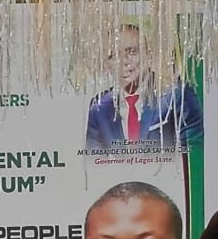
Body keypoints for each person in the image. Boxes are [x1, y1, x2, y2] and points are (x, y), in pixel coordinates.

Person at [85, 24, 203, 152]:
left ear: (148, 55)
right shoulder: (99, 107)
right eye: (113, 55)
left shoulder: (176, 95)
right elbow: (93, 160)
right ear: (107, 64)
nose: (124, 61)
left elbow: (194, 153)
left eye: (132, 52)